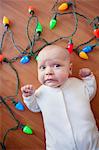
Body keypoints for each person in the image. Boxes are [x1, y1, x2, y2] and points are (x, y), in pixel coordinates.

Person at [21, 45, 99, 150]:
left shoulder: (77, 84)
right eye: (42, 68)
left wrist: (88, 78)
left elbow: (90, 92)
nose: (48, 72)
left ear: (70, 69)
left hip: (90, 140)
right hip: (58, 145)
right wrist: (29, 97)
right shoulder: (41, 92)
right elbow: (35, 107)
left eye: (57, 66)